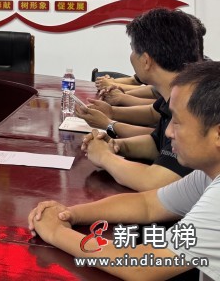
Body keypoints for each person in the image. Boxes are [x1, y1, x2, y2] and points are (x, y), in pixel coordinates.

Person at [28, 60, 220, 280]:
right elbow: (147, 205)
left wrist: (55, 231)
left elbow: (142, 266)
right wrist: (69, 214)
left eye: (177, 122)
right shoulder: (208, 174)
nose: (168, 132)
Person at [76, 8, 201, 191]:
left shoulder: (195, 105)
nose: (131, 56)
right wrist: (115, 144)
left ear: (146, 61)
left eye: (133, 50)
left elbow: (156, 182)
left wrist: (104, 157)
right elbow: (156, 144)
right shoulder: (178, 92)